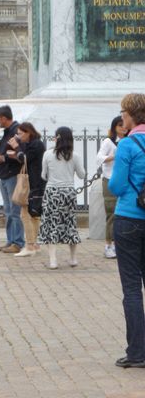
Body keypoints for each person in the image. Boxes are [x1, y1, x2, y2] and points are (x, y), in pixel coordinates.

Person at [109, 93, 145, 368]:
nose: (121, 117)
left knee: (132, 288)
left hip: (130, 218)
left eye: (123, 112)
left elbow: (117, 186)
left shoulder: (128, 144)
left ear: (131, 114)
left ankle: (137, 352)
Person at [38, 127, 85, 270]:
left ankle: (53, 260)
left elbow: (43, 175)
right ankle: (73, 258)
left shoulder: (47, 154)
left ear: (56, 138)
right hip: (68, 192)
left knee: (51, 224)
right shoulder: (75, 155)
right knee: (70, 223)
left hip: (52, 192)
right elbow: (82, 175)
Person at [7, 122, 46, 257]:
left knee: (26, 214)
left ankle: (30, 245)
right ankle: (34, 244)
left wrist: (16, 148)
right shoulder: (32, 143)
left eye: (20, 133)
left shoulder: (36, 144)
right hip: (35, 183)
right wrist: (17, 151)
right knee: (34, 215)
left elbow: (24, 158)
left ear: (28, 132)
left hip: (33, 184)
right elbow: (23, 157)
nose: (18, 136)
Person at [0, 105, 24, 253]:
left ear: (4, 118)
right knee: (8, 210)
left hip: (12, 175)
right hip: (4, 175)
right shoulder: (6, 133)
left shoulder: (16, 132)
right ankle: (11, 240)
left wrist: (3, 159)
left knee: (15, 211)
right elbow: (0, 150)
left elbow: (19, 154)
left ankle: (18, 242)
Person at [96, 114, 127, 258]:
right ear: (115, 127)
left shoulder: (127, 141)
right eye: (120, 125)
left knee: (123, 214)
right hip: (109, 180)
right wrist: (115, 156)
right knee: (111, 213)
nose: (123, 128)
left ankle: (118, 244)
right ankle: (109, 244)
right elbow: (100, 158)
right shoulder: (109, 142)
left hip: (124, 180)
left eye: (124, 125)